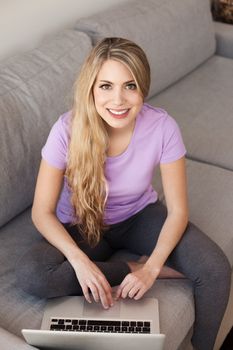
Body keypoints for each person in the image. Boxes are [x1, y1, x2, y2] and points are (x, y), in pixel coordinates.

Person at [16, 37, 231, 350]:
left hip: (138, 216)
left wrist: (153, 268)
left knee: (215, 270)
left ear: (142, 86)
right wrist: (80, 261)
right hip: (78, 227)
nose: (118, 100)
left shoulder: (162, 127)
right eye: (106, 86)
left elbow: (178, 212)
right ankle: (127, 265)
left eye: (129, 85)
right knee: (33, 275)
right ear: (91, 88)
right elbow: (41, 212)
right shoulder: (66, 130)